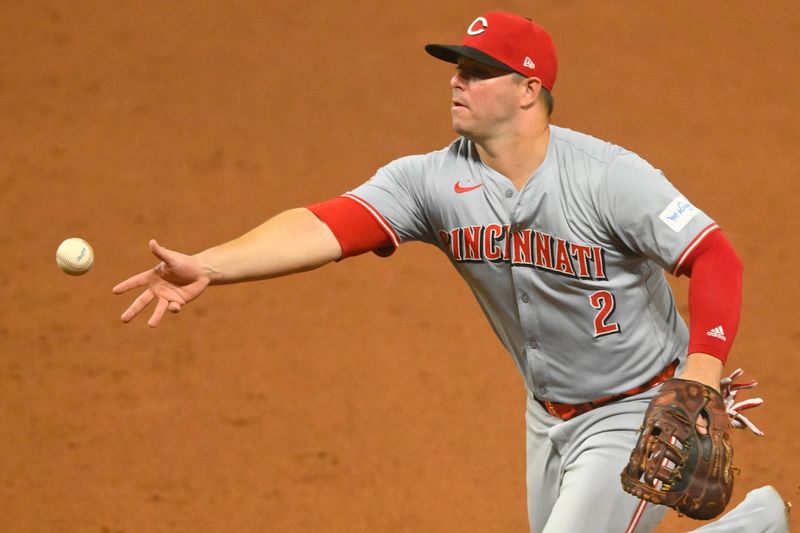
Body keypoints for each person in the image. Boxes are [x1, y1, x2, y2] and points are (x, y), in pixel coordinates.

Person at [114, 11, 789, 533]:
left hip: (642, 404)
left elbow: (713, 253)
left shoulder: (608, 178)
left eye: (477, 69)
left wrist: (701, 368)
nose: (456, 78)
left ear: (529, 91)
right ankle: (754, 524)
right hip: (546, 414)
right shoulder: (430, 181)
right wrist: (210, 264)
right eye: (456, 66)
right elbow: (327, 223)